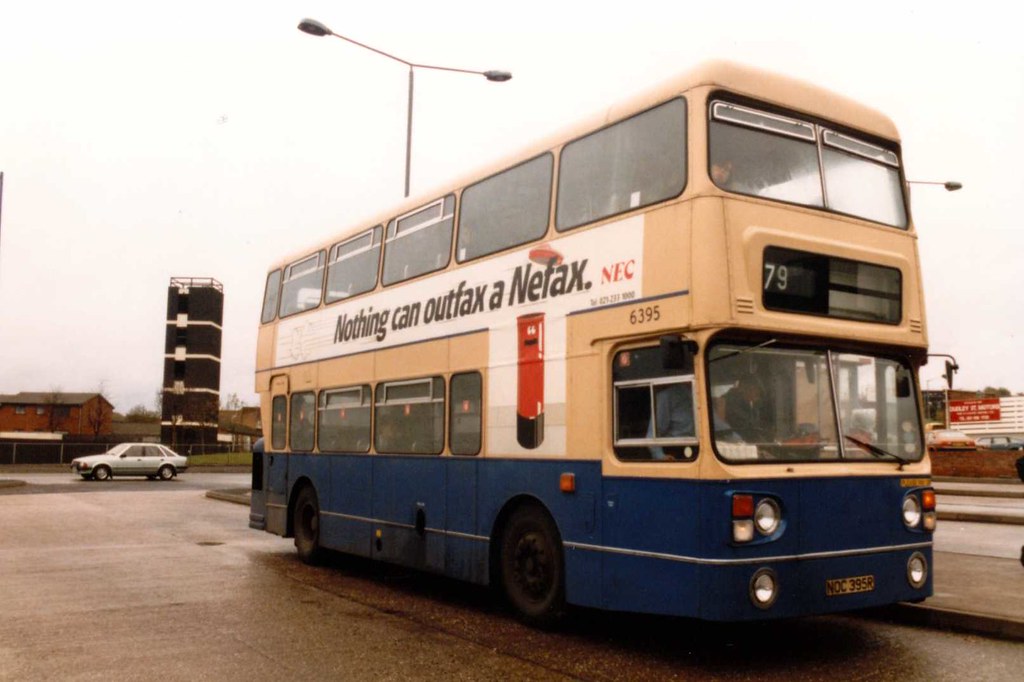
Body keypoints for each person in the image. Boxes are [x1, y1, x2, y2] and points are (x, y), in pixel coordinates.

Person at [648, 382, 694, 460]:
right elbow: (652, 435)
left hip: (699, 449)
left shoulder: (702, 394)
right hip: (674, 453)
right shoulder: (667, 396)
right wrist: (661, 456)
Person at [723, 376, 770, 443]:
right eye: (756, 391)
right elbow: (746, 428)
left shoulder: (749, 405)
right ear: (744, 388)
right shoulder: (729, 403)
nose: (757, 395)